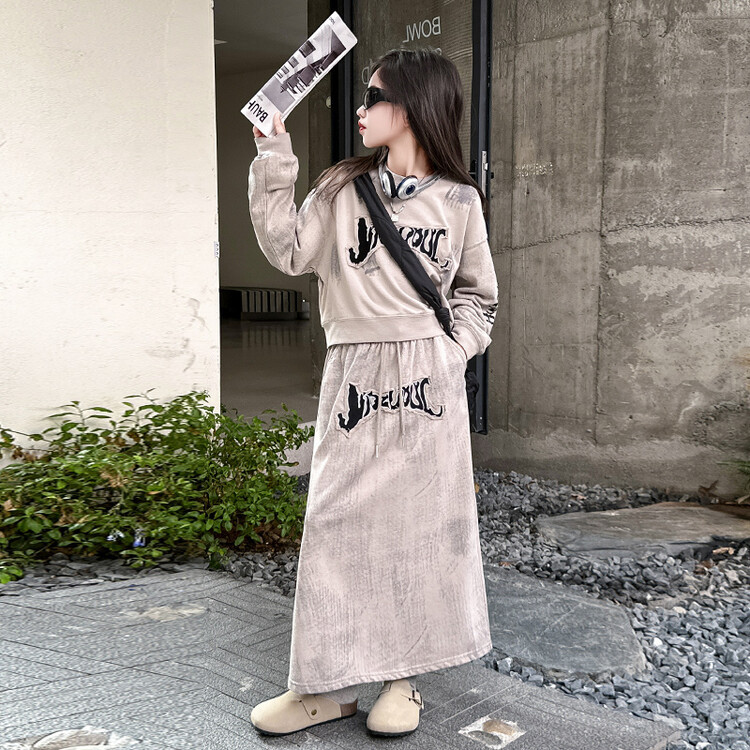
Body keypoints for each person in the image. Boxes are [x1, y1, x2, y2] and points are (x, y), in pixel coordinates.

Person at [246, 47, 498, 738]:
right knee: (335, 524)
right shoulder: (341, 188)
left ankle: (402, 680)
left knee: (417, 528)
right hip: (354, 373)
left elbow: (478, 296)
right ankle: (322, 687)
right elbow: (288, 251)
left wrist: (451, 353)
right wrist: (274, 154)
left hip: (427, 379)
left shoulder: (460, 201)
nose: (361, 110)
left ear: (412, 106)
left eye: (374, 97)